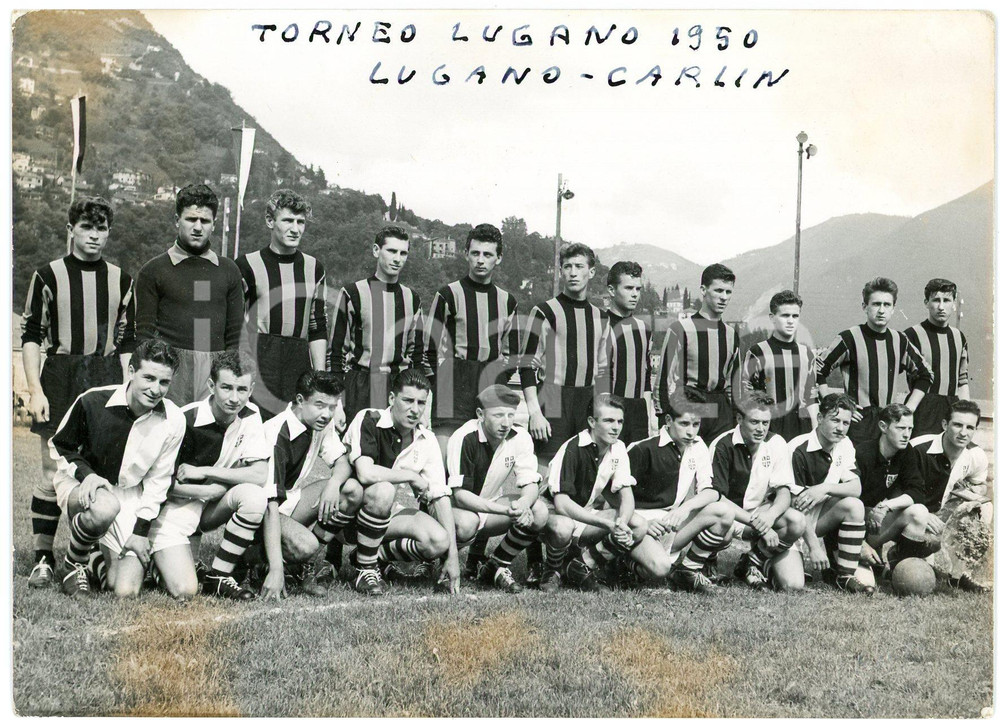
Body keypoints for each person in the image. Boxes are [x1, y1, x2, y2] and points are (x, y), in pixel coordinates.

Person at [21, 196, 135, 590]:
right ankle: (42, 558)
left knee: (98, 471)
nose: (94, 236)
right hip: (61, 376)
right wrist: (35, 390)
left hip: (104, 376)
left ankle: (82, 559)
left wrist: (126, 391)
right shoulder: (48, 275)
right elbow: (32, 336)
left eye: (101, 228)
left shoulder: (122, 279)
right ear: (71, 230)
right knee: (54, 470)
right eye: (86, 227)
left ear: (109, 232)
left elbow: (127, 341)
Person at [48, 339, 185, 598]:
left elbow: (159, 480)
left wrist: (140, 532)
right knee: (104, 507)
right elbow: (59, 445)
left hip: (130, 494)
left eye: (164, 382)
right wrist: (87, 476)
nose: (155, 389)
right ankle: (74, 563)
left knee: (123, 588)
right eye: (149, 378)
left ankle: (96, 557)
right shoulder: (93, 400)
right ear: (131, 371)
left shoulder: (174, 419)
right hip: (82, 485)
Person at [147, 350, 269, 601]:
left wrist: (206, 473)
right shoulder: (185, 419)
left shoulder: (251, 415)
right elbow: (156, 483)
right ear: (212, 386)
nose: (234, 398)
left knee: (254, 497)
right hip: (173, 508)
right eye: (226, 388)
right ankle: (154, 563)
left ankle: (219, 576)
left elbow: (259, 474)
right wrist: (208, 490)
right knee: (185, 589)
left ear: (251, 389)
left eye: (242, 390)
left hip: (209, 506)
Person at [520, 242, 609, 581]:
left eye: (579, 266)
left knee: (579, 477)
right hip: (552, 396)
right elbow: (527, 364)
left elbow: (602, 370)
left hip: (585, 400)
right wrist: (534, 410)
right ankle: (534, 560)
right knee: (541, 479)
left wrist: (600, 412)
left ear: (591, 272)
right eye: (567, 266)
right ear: (561, 270)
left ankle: (567, 554)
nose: (573, 273)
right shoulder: (544, 311)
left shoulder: (601, 316)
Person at [255, 370, 386, 598]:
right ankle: (259, 562)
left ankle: (303, 566)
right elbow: (269, 504)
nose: (327, 414)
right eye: (320, 405)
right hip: (259, 511)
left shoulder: (320, 423)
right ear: (300, 400)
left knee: (351, 490)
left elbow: (342, 461)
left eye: (332, 407)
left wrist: (334, 484)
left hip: (288, 501)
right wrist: (276, 571)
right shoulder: (277, 432)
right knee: (306, 545)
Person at [343, 369, 462, 594]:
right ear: (391, 398)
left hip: (380, 518)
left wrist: (452, 555)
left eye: (421, 403)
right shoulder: (369, 418)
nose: (415, 409)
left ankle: (370, 556)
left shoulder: (426, 439)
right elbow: (366, 473)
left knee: (438, 540)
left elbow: (439, 494)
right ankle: (365, 570)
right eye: (408, 400)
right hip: (346, 516)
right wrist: (411, 476)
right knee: (384, 490)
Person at [541, 394, 669, 593]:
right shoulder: (573, 448)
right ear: (592, 422)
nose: (616, 427)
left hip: (584, 513)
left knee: (638, 524)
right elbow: (562, 504)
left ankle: (582, 565)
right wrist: (607, 524)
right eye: (609, 421)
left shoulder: (618, 448)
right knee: (563, 527)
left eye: (620, 421)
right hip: (551, 515)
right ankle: (552, 570)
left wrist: (622, 522)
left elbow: (626, 496)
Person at [134, 183, 244, 406]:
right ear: (177, 220)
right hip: (168, 369)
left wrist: (228, 376)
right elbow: (144, 333)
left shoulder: (228, 270)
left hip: (214, 370)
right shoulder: (154, 270)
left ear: (214, 224)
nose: (198, 227)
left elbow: (234, 335)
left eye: (205, 221)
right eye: (191, 219)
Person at [626, 387, 736, 593]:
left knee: (724, 513)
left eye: (696, 424)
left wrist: (685, 508)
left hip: (670, 523)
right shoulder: (643, 448)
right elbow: (613, 501)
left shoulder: (698, 445)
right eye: (684, 424)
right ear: (668, 420)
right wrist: (642, 523)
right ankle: (624, 566)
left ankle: (687, 571)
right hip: (641, 526)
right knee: (660, 568)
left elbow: (711, 491)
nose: (691, 431)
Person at [445, 385, 548, 594]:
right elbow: (461, 496)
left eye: (510, 415)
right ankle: (439, 560)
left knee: (539, 510)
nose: (506, 422)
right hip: (453, 510)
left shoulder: (520, 436)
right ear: (480, 414)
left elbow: (530, 482)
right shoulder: (464, 436)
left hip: (487, 508)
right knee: (467, 523)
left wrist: (523, 504)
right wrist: (506, 510)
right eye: (498, 415)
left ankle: (496, 564)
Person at [236, 190, 328, 418]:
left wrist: (320, 380)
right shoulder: (246, 265)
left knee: (294, 430)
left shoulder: (314, 268)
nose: (295, 229)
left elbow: (317, 327)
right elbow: (234, 325)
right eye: (288, 220)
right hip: (258, 360)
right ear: (270, 221)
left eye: (300, 222)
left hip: (298, 362)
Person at [329, 225, 429, 423]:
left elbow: (416, 355)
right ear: (376, 250)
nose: (397, 259)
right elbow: (336, 352)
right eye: (391, 251)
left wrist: (421, 404)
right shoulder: (352, 293)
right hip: (359, 385)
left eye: (403, 253)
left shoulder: (412, 299)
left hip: (397, 387)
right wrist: (335, 400)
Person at [816, 277, 933, 444]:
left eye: (887, 305)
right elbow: (817, 370)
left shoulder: (900, 340)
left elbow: (926, 374)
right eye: (876, 304)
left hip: (889, 422)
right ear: (865, 307)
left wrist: (909, 408)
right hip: (858, 421)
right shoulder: (849, 338)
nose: (881, 310)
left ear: (893, 309)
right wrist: (836, 405)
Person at [708, 392, 806, 590]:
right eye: (754, 422)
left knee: (793, 583)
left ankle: (752, 561)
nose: (761, 429)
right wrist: (760, 526)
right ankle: (707, 561)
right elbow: (717, 498)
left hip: (760, 515)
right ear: (739, 419)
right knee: (720, 524)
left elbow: (784, 492)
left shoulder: (776, 442)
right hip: (730, 516)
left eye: (765, 423)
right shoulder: (722, 444)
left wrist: (771, 516)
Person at [786, 393, 874, 594]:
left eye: (846, 422)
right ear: (819, 418)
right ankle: (761, 560)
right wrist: (814, 548)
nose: (840, 428)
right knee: (793, 584)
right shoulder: (797, 449)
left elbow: (856, 488)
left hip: (818, 517)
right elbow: (796, 506)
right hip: (791, 523)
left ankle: (844, 575)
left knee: (854, 505)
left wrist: (824, 487)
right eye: (835, 420)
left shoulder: (845, 444)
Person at [909, 400, 991, 592]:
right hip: (912, 516)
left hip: (940, 516)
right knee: (912, 572)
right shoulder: (918, 447)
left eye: (970, 427)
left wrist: (975, 491)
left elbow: (981, 486)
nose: (963, 433)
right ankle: (899, 554)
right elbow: (898, 491)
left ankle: (958, 575)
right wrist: (924, 514)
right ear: (945, 424)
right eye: (957, 425)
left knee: (984, 506)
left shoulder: (976, 454)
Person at [655, 263, 740, 444]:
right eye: (718, 290)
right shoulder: (680, 329)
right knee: (688, 459)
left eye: (728, 292)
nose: (724, 297)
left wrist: (735, 418)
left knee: (718, 459)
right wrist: (664, 418)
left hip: (721, 411)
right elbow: (663, 380)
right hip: (690, 403)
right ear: (703, 290)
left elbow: (734, 383)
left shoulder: (731, 334)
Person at [853, 404, 932, 570]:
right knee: (866, 582)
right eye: (901, 428)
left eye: (910, 428)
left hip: (876, 522)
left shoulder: (906, 451)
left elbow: (917, 492)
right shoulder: (862, 453)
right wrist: (860, 543)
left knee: (919, 512)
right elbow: (847, 503)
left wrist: (886, 506)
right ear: (883, 427)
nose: (907, 434)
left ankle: (901, 567)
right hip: (853, 527)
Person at [742, 290, 819, 441]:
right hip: (769, 425)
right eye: (785, 315)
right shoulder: (758, 351)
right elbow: (747, 393)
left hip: (802, 426)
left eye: (795, 316)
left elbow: (811, 397)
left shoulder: (806, 354)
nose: (790, 321)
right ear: (772, 318)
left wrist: (815, 432)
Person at [903, 279, 971, 437]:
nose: (941, 307)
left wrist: (967, 412)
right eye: (936, 300)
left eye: (946, 300)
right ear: (926, 303)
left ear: (954, 304)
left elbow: (962, 379)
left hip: (952, 408)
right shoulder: (911, 334)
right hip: (922, 407)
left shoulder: (959, 337)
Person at [605, 261, 657, 446]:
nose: (635, 294)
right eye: (628, 288)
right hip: (609, 408)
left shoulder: (644, 329)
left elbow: (646, 377)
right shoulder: (598, 325)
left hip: (638, 412)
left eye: (638, 289)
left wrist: (648, 418)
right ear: (612, 290)